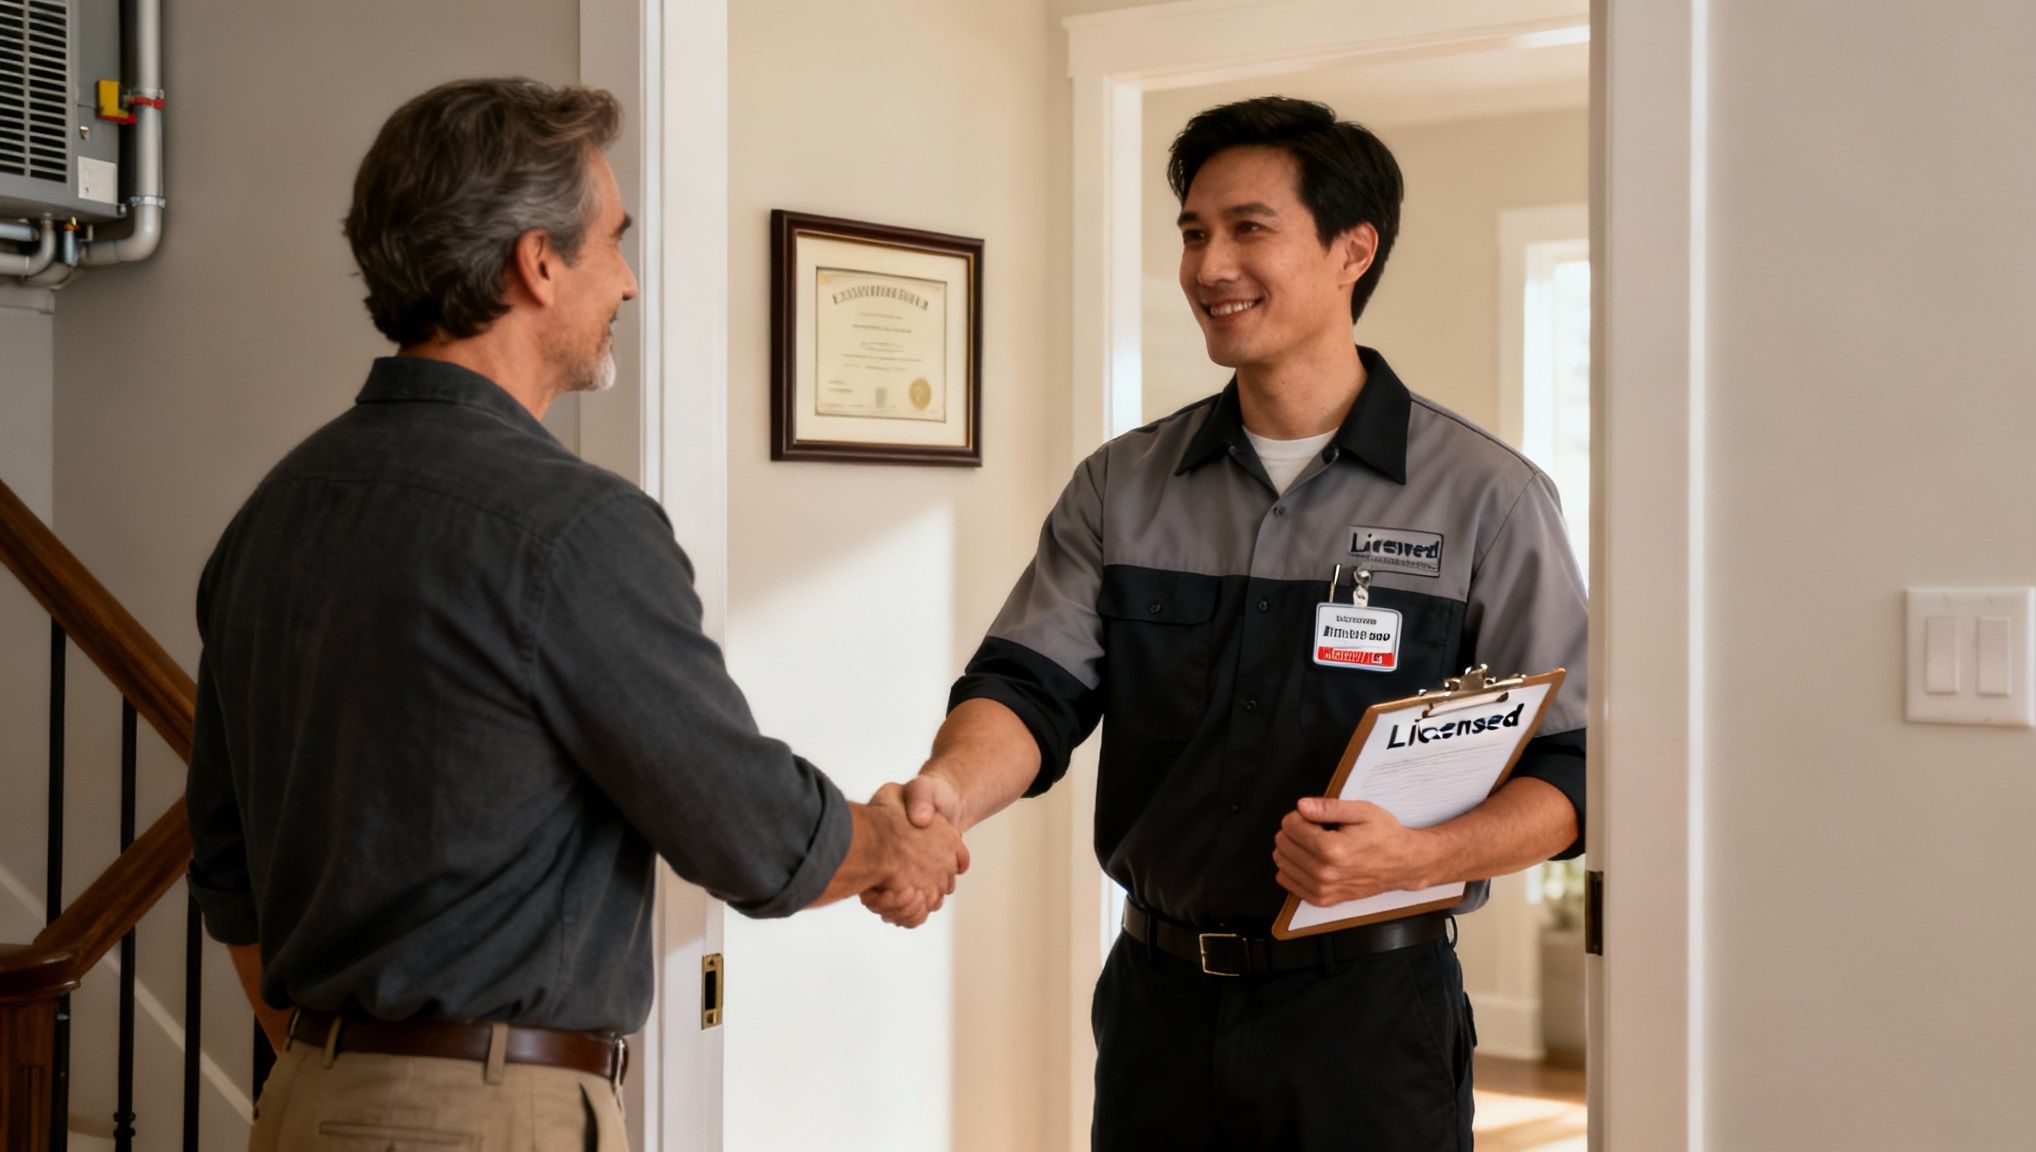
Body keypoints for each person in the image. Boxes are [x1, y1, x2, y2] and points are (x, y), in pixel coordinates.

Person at [184, 78, 966, 1152]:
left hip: (302, 1100)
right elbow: (746, 830)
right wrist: (892, 846)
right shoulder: (571, 528)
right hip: (484, 1113)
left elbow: (230, 878)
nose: (630, 282)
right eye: (613, 243)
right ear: (537, 263)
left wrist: (352, 1068)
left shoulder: (271, 516)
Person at [868, 96, 1589, 1150]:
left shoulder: (1487, 498)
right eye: (1193, 233)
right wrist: (942, 798)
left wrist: (1417, 856)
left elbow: (1574, 772)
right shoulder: (1120, 487)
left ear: (1353, 249)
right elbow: (1027, 690)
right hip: (1157, 1015)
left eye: (1248, 228)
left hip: (1369, 1023)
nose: (1209, 265)